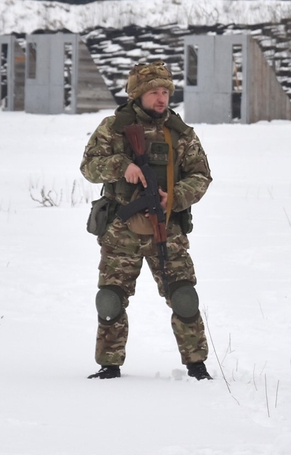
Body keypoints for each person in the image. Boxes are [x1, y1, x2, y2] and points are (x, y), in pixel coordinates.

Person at [80, 62, 213, 381]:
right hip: (120, 233)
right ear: (138, 95)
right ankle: (109, 365)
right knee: (110, 299)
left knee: (183, 297)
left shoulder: (181, 134)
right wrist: (121, 166)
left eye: (165, 91)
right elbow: (88, 167)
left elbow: (201, 176)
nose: (161, 98)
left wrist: (176, 196)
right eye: (154, 92)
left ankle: (197, 365)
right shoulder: (112, 128)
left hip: (167, 230)